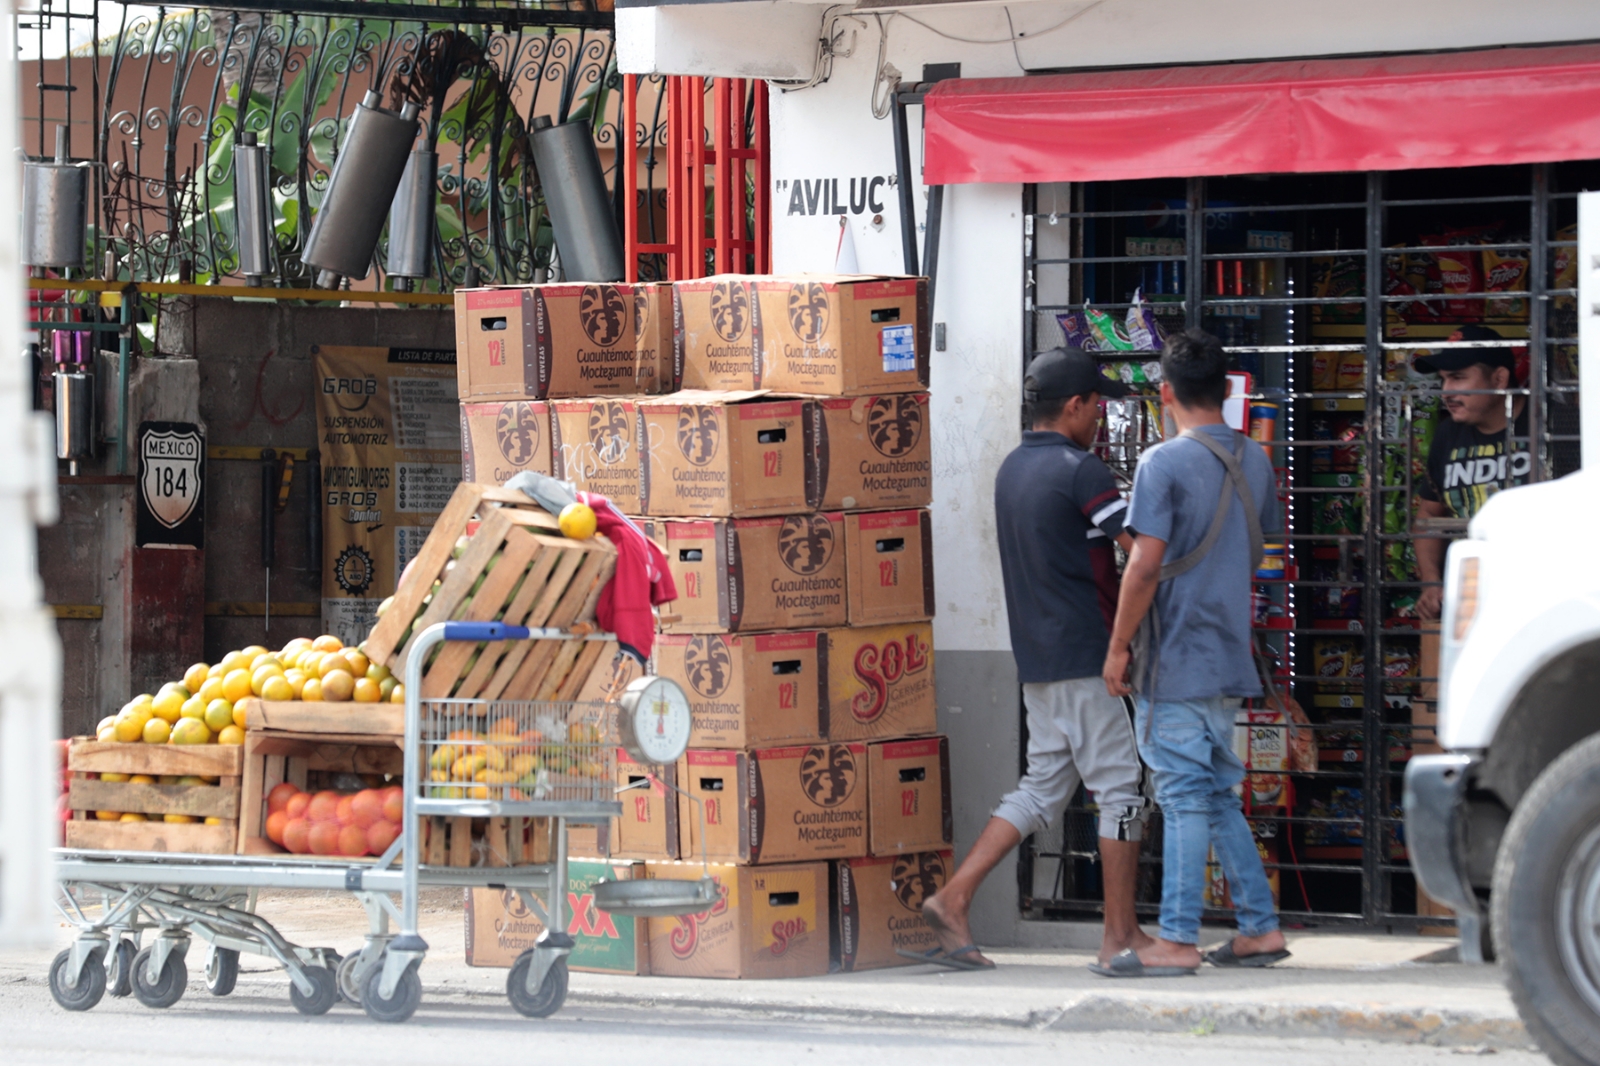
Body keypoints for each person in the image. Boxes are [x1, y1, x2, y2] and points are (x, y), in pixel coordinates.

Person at [917, 348, 1152, 971]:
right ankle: (1119, 937)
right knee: (1122, 793)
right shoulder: (1083, 472)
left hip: (1038, 659)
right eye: (1096, 403)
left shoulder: (1011, 469)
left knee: (1042, 789)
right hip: (1089, 655)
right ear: (1073, 406)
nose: (1101, 414)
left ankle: (954, 897)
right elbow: (1139, 555)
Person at [1100, 328, 1288, 977]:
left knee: (1181, 796)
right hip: (1228, 654)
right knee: (1216, 797)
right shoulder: (1255, 461)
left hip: (1173, 654)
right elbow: (1262, 552)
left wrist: (1118, 647)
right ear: (1227, 390)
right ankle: (1259, 929)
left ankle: (1177, 939)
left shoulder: (1162, 463)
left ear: (1167, 392)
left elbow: (1144, 565)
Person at [1413, 325, 1528, 620]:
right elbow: (1428, 516)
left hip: (1541, 600)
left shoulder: (1556, 427)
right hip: (1472, 605)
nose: (1447, 391)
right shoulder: (1447, 435)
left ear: (1499, 379)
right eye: (1443, 380)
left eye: (1458, 377)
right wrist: (1431, 584)